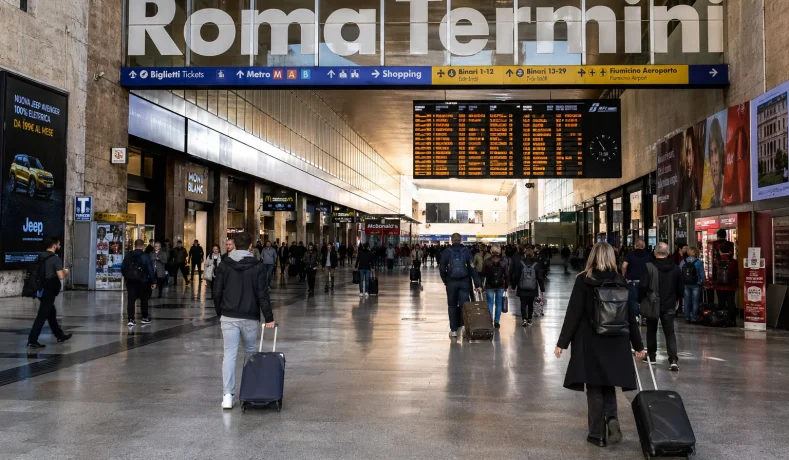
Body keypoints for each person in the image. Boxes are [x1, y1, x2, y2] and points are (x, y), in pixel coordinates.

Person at [554, 242, 646, 448]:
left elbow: (573, 314)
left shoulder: (584, 280)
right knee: (608, 383)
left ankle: (597, 434)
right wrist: (638, 345)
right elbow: (631, 317)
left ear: (592, 257)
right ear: (612, 257)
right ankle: (612, 418)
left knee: (594, 385)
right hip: (616, 341)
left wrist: (562, 343)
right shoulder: (621, 281)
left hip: (590, 340)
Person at [212, 231, 275, 410]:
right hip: (250, 316)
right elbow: (262, 293)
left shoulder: (224, 265)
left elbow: (216, 291)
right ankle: (249, 391)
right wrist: (269, 317)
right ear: (250, 246)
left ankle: (227, 396)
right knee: (250, 352)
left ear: (233, 245)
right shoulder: (258, 266)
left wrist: (220, 312)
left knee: (229, 354)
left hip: (229, 316)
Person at [639, 243, 683, 371]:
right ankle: (673, 360)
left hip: (652, 304)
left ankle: (651, 356)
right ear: (668, 253)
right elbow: (680, 289)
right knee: (670, 332)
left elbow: (643, 286)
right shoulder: (676, 268)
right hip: (669, 304)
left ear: (654, 252)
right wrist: (675, 298)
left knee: (651, 330)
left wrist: (640, 299)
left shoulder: (649, 267)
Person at [27, 237, 73, 348]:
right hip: (49, 290)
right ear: (54, 245)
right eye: (59, 244)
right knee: (42, 315)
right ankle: (32, 340)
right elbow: (60, 276)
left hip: (40, 289)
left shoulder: (40, 257)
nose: (59, 246)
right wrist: (66, 272)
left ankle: (60, 335)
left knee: (51, 313)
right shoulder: (55, 259)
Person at [439, 233, 482, 339]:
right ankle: (463, 327)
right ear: (461, 240)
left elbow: (442, 268)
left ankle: (453, 331)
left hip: (451, 282)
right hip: (464, 282)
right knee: (464, 305)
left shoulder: (446, 252)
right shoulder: (466, 251)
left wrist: (446, 280)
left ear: (451, 240)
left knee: (452, 305)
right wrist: (477, 284)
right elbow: (472, 268)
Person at [122, 239, 157, 327]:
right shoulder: (145, 256)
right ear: (142, 246)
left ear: (135, 245)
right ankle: (144, 317)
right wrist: (153, 281)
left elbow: (123, 268)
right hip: (143, 281)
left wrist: (127, 277)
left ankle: (131, 319)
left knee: (131, 300)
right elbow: (150, 269)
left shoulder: (128, 255)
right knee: (144, 300)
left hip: (131, 281)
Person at [510, 248, 546, 327]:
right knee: (530, 304)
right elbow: (540, 278)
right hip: (533, 288)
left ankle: (524, 320)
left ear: (525, 255)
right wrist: (542, 290)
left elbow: (516, 276)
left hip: (522, 288)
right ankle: (530, 319)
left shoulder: (520, 264)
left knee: (523, 304)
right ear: (533, 255)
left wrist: (513, 287)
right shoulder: (536, 265)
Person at [622, 239, 651, 320]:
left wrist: (624, 276)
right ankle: (644, 316)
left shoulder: (630, 254)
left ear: (635, 246)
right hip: (644, 281)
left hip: (632, 280)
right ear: (644, 246)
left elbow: (624, 266)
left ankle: (636, 317)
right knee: (644, 299)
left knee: (633, 300)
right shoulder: (648, 255)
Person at [481, 245, 509, 329]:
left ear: (491, 251)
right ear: (499, 251)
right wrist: (506, 286)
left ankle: (490, 321)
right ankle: (497, 322)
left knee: (490, 303)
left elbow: (483, 273)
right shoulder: (504, 262)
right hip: (500, 285)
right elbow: (507, 275)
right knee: (498, 303)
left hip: (489, 285)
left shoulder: (487, 261)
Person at [712, 241, 739, 327]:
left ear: (720, 251)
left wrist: (713, 283)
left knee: (721, 303)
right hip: (731, 286)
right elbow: (736, 274)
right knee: (731, 303)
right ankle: (732, 321)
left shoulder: (716, 261)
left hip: (719, 286)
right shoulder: (734, 262)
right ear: (730, 251)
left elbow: (714, 274)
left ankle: (722, 320)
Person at [679, 247, 706, 324]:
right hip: (696, 284)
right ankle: (694, 318)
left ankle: (687, 318)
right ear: (696, 253)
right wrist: (704, 283)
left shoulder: (683, 261)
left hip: (686, 284)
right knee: (695, 301)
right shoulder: (699, 262)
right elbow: (702, 274)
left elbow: (679, 273)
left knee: (687, 301)